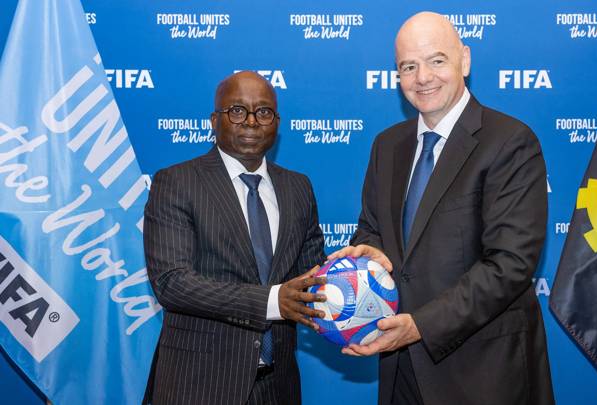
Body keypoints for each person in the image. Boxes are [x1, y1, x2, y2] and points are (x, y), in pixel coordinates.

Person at [332, 11, 555, 405]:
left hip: (482, 375)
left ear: (464, 60)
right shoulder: (387, 146)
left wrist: (420, 326)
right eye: (409, 66)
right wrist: (372, 254)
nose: (423, 77)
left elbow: (509, 265)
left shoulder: (510, 142)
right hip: (400, 370)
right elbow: (372, 230)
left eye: (437, 60)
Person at [142, 71, 327, 405]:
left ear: (277, 122)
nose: (252, 122)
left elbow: (313, 276)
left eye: (264, 112)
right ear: (215, 120)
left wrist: (355, 287)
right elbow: (172, 283)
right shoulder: (176, 182)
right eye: (238, 111)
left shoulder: (298, 187)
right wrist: (273, 301)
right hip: (198, 384)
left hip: (278, 387)